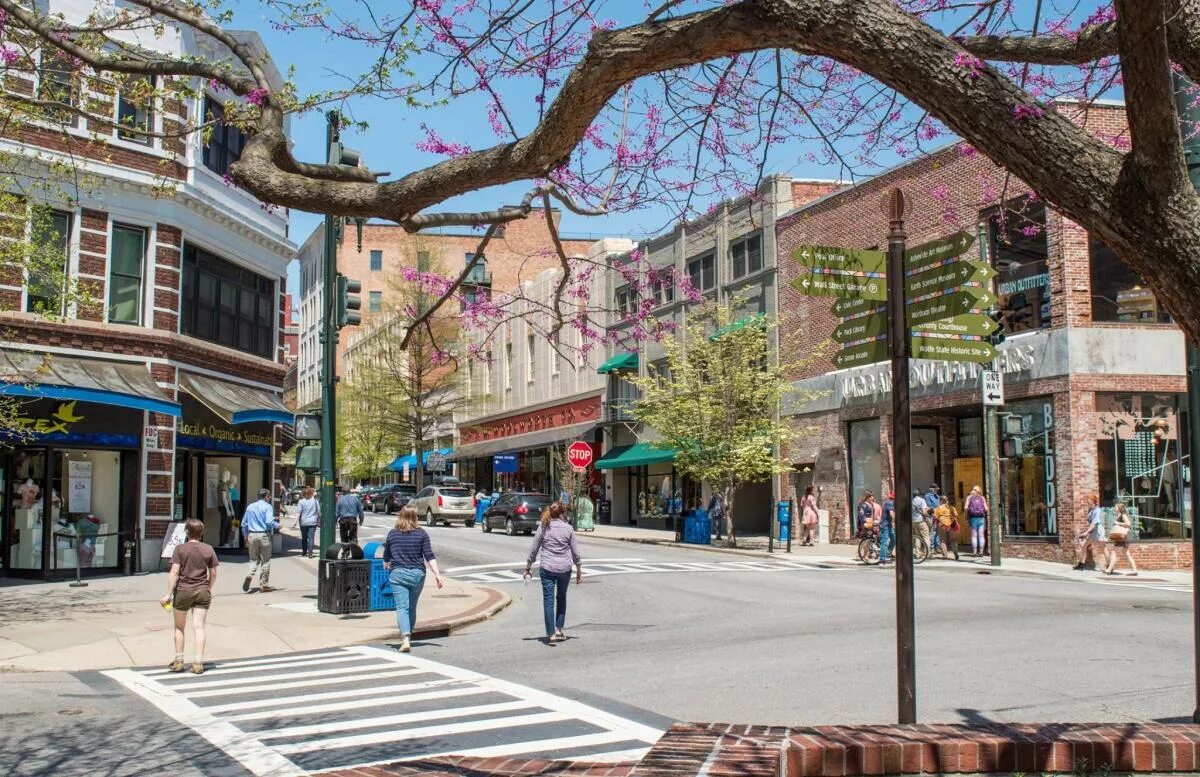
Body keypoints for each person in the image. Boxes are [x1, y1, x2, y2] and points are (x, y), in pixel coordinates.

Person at [382, 506, 444, 653]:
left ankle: (405, 638)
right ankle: (408, 634)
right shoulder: (421, 534)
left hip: (397, 574)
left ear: (401, 516)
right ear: (415, 517)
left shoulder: (392, 534)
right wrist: (437, 574)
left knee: (401, 607)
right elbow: (429, 555)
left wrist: (386, 563)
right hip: (417, 575)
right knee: (411, 607)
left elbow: (387, 555)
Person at [160, 518, 218, 674]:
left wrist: (168, 594)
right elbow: (213, 573)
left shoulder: (180, 549)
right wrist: (208, 588)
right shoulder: (208, 549)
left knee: (179, 627)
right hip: (202, 591)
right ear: (202, 533)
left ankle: (179, 661)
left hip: (183, 590)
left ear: (187, 532)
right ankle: (198, 662)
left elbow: (174, 572)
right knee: (199, 627)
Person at [524, 502, 582, 643]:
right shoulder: (568, 529)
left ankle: (550, 634)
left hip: (547, 567)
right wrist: (579, 569)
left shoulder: (544, 526)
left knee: (548, 601)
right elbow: (575, 552)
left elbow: (534, 548)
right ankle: (559, 629)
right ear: (563, 513)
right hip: (564, 569)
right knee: (561, 598)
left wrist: (528, 567)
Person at [241, 489, 279, 593]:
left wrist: (245, 536)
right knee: (265, 560)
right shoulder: (268, 507)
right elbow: (269, 521)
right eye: (269, 496)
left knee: (253, 559)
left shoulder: (250, 507)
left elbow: (244, 524)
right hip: (263, 535)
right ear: (266, 496)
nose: (270, 497)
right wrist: (279, 525)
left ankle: (250, 574)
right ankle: (264, 585)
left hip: (252, 535)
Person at [1104, 502, 1139, 576]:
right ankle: (1135, 570)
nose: (1114, 508)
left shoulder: (1123, 515)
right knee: (1126, 554)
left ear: (1119, 508)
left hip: (1122, 537)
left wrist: (1117, 523)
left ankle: (1109, 570)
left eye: (1116, 507)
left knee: (1114, 553)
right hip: (1122, 537)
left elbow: (1129, 524)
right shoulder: (1119, 515)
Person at [1074, 493, 1105, 570]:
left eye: (1088, 499)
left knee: (1103, 548)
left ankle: (1110, 567)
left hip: (1098, 531)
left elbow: (1094, 523)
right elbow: (1090, 523)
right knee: (1083, 546)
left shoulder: (1097, 510)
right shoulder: (1090, 510)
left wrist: (1086, 532)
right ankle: (1081, 564)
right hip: (1092, 531)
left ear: (1092, 501)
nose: (1087, 501)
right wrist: (1086, 531)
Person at [293, 486, 320, 558]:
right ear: (311, 493)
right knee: (311, 538)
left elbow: (299, 513)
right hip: (312, 522)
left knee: (304, 538)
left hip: (303, 522)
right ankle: (310, 553)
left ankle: (304, 552)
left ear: (303, 493)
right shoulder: (315, 501)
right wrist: (320, 519)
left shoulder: (301, 502)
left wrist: (295, 522)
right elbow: (319, 512)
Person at [965, 485, 989, 558]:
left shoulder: (969, 497)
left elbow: (966, 508)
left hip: (973, 518)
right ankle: (981, 552)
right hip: (981, 518)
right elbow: (986, 509)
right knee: (981, 536)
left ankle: (975, 552)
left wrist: (966, 516)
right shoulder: (982, 498)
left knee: (974, 536)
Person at [933, 495, 959, 560]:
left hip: (942, 525)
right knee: (953, 540)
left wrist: (934, 525)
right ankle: (955, 553)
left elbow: (935, 517)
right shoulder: (952, 507)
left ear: (941, 501)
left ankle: (945, 555)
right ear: (946, 500)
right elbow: (956, 515)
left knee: (942, 540)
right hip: (951, 525)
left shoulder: (938, 508)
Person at [879, 491, 896, 565]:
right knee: (884, 542)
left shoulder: (891, 502)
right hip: (885, 525)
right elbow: (892, 514)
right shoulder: (889, 503)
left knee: (894, 539)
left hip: (889, 525)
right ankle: (882, 558)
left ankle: (888, 552)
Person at [925, 485, 941, 551]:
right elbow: (929, 505)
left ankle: (937, 547)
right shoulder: (927, 496)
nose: (936, 491)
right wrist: (935, 509)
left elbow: (939, 504)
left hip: (937, 515)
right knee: (932, 531)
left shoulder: (937, 496)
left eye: (937, 489)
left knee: (937, 531)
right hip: (931, 515)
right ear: (931, 489)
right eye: (935, 489)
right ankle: (931, 547)